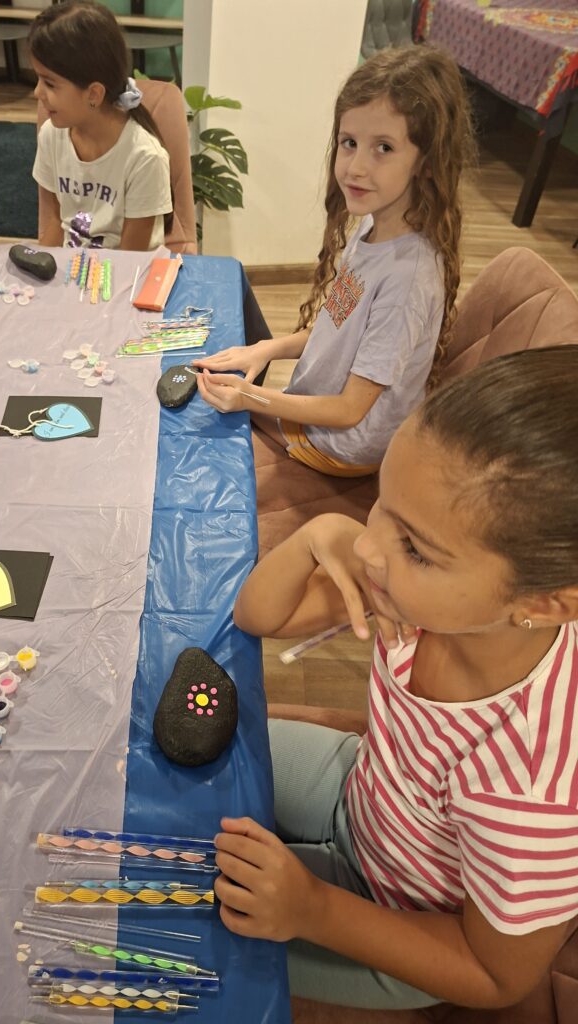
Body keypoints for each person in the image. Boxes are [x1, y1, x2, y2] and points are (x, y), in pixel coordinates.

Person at [217, 346, 578, 1010]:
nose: (368, 547)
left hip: (397, 924)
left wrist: (313, 907)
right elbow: (258, 616)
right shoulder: (419, 596)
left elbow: (496, 978)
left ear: (545, 603)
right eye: (382, 501)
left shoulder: (535, 789)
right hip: (361, 794)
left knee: (194, 932)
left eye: (414, 546)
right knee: (205, 745)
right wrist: (316, 534)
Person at [194, 46, 474, 477]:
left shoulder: (408, 278)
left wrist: (251, 399)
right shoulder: (372, 226)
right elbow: (337, 321)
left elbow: (348, 411)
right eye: (349, 143)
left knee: (199, 424)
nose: (356, 167)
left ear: (427, 162)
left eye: (383, 147)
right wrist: (265, 349)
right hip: (318, 414)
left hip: (339, 445)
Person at [29, 0, 172, 251]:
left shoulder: (145, 158)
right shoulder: (51, 135)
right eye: (38, 79)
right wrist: (41, 266)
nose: (37, 92)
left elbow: (131, 261)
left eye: (49, 83)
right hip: (73, 268)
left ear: (94, 94)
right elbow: (55, 222)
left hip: (126, 270)